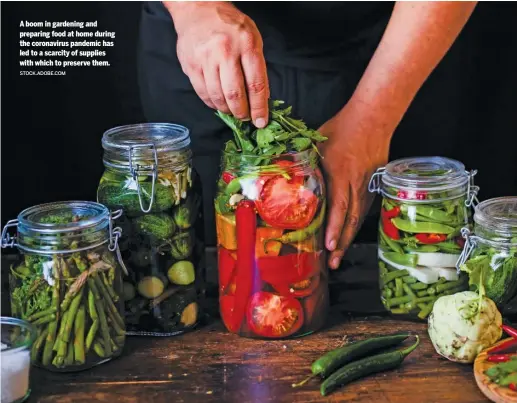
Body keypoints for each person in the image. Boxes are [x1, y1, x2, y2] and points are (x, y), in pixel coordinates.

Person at [137, 1, 477, 270]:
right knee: (210, 262)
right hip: (205, 48)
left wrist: (372, 122)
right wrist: (191, 7)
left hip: (393, 45)